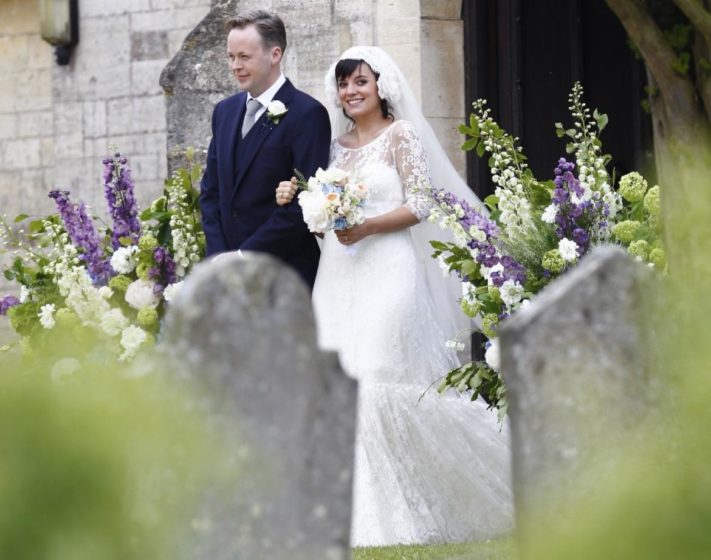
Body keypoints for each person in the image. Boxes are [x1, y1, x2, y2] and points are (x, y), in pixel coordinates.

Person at [275, 46, 513, 547]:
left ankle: (405, 513)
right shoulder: (337, 148)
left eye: (360, 81)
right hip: (340, 276)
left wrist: (367, 227)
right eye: (344, 84)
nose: (351, 91)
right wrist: (310, 207)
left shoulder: (401, 135)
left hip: (389, 269)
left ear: (381, 85)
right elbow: (328, 213)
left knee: (381, 375)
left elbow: (422, 203)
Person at [199, 10, 331, 289]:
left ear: (275, 54)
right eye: (231, 57)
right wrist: (220, 257)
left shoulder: (308, 114)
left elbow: (305, 203)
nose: (235, 65)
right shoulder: (224, 111)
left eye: (244, 56)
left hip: (283, 276)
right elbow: (211, 193)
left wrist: (245, 256)